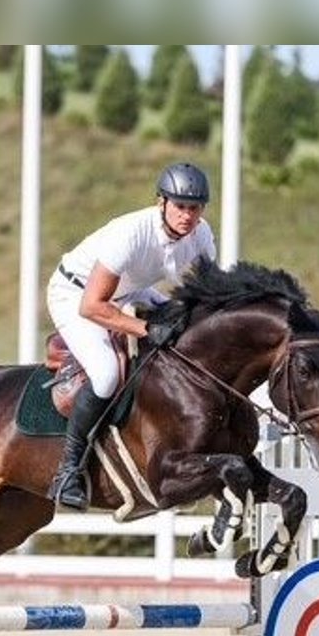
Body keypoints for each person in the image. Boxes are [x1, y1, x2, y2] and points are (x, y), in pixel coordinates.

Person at [45, 161, 217, 510]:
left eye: (195, 208)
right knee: (107, 374)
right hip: (75, 295)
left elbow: (208, 296)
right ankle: (68, 471)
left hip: (130, 292)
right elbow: (92, 306)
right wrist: (147, 329)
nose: (187, 215)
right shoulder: (130, 234)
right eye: (180, 206)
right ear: (161, 203)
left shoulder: (201, 235)